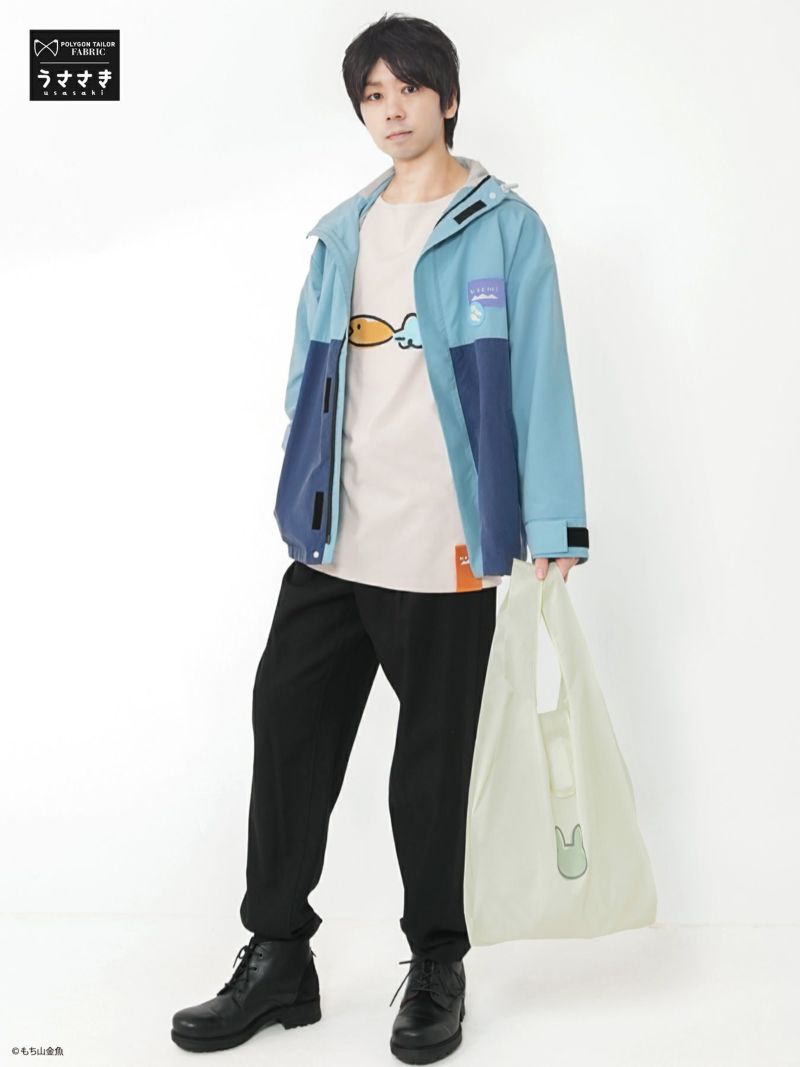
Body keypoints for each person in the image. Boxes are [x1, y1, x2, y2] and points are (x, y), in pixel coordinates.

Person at [171, 13, 589, 1064]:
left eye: (407, 89)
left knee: (433, 765)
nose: (390, 110)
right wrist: (299, 489)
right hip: (335, 538)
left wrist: (551, 521)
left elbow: (538, 377)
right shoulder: (340, 232)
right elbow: (308, 379)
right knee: (288, 728)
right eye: (372, 95)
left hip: (446, 541)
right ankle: (278, 955)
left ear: (447, 97)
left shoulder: (504, 228)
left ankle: (437, 963)